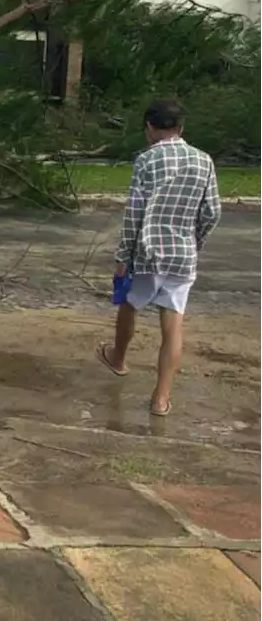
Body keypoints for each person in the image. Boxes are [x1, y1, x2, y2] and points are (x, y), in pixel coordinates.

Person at [96, 99, 221, 417]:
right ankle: (161, 399)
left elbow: (134, 212)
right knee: (173, 326)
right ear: (181, 129)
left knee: (129, 304)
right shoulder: (204, 160)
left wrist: (124, 254)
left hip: (149, 251)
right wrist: (196, 241)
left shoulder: (147, 160)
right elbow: (212, 212)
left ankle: (118, 358)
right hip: (183, 255)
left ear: (150, 128)